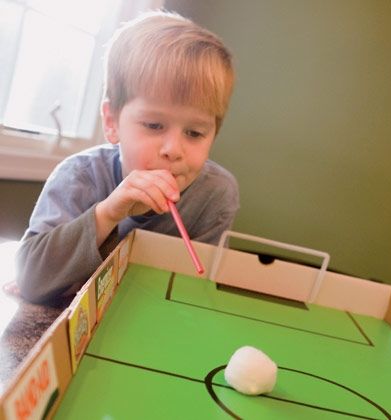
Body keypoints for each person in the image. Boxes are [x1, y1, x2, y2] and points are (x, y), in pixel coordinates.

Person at [15, 10, 239, 303]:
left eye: (195, 133)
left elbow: (193, 292)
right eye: (154, 125)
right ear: (111, 122)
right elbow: (31, 280)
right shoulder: (79, 177)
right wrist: (108, 213)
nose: (173, 149)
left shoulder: (216, 194)